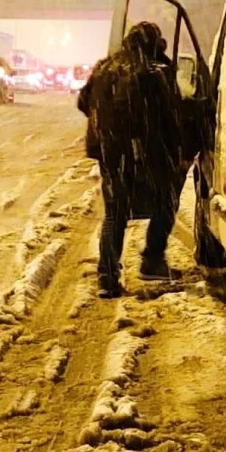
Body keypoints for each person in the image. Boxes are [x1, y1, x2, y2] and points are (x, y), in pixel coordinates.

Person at [79, 21, 186, 299]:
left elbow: (83, 101)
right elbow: (167, 115)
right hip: (142, 154)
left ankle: (107, 278)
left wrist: (105, 126)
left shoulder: (104, 67)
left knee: (115, 213)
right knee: (167, 199)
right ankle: (152, 260)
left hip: (111, 154)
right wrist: (178, 150)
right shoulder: (149, 72)